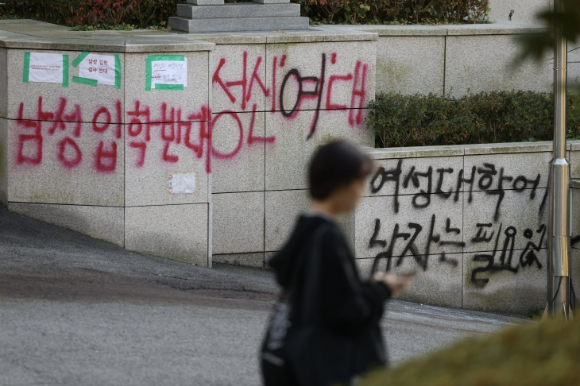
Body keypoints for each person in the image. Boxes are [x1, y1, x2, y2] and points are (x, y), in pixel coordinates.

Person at [260, 140, 411, 386]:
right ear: (340, 184)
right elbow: (347, 313)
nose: (362, 190)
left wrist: (368, 287)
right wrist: (383, 289)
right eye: (359, 182)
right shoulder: (327, 238)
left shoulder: (305, 230)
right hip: (312, 369)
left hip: (282, 359)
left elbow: (328, 295)